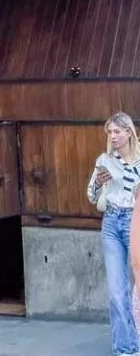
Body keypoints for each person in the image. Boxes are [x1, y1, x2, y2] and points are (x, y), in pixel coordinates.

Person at [88, 112, 140, 356]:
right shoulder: (104, 160)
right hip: (111, 222)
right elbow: (91, 195)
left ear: (129, 131)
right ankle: (125, 350)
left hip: (136, 221)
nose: (113, 136)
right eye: (110, 132)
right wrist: (99, 183)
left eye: (117, 131)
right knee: (117, 292)